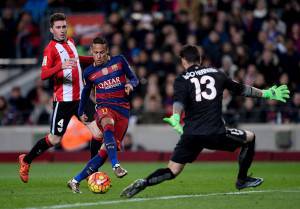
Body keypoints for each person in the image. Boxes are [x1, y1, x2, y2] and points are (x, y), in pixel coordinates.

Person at [120, 45, 290, 198]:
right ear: (200, 60)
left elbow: (179, 101)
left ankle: (144, 182)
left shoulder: (181, 79)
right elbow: (241, 89)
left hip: (191, 134)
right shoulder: (217, 73)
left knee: (173, 170)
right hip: (215, 132)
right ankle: (242, 180)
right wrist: (267, 94)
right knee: (250, 137)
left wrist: (176, 117)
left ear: (183, 61)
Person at [18, 13, 102, 183]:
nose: (62, 30)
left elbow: (77, 61)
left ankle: (91, 172)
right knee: (54, 139)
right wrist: (59, 66)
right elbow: (43, 74)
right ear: (51, 29)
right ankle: (26, 160)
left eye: (64, 26)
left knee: (98, 134)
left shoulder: (70, 42)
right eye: (58, 27)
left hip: (81, 99)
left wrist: (95, 60)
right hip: (63, 102)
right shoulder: (50, 49)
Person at [67, 37, 139, 193]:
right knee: (107, 123)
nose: (98, 56)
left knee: (103, 153)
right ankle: (116, 165)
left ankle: (75, 180)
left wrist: (130, 84)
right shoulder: (89, 72)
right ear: (92, 52)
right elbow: (85, 93)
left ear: (107, 52)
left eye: (101, 53)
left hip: (123, 111)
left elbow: (134, 78)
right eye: (95, 53)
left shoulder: (119, 61)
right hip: (103, 108)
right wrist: (81, 112)